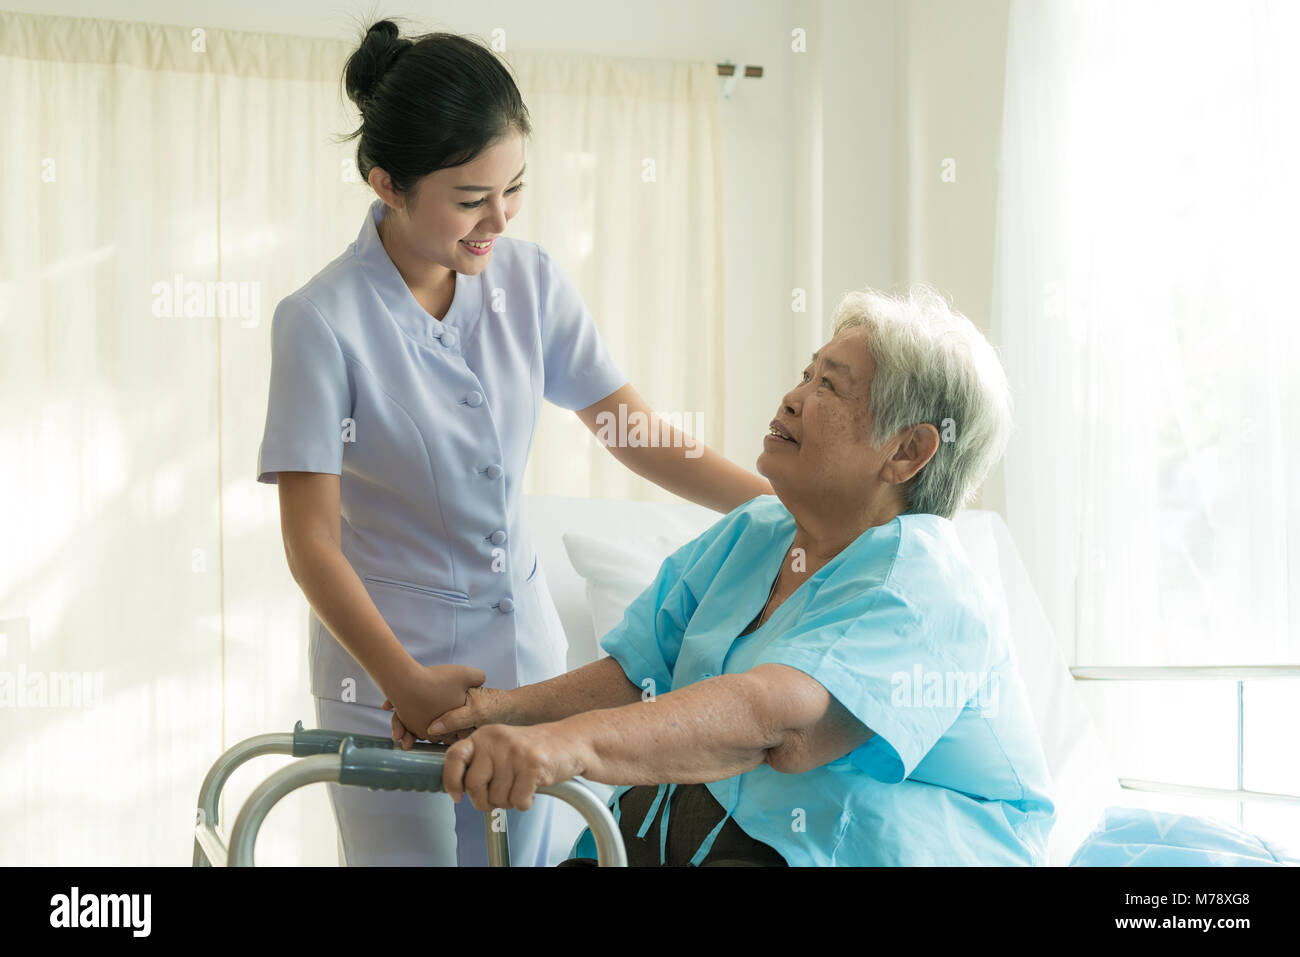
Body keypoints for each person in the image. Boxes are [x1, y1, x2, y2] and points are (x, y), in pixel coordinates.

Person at [255, 21, 770, 867]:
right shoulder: (321, 321)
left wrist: (782, 508)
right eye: (469, 199)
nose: (498, 219)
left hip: (523, 667)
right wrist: (405, 683)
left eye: (515, 188)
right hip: (384, 670)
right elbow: (310, 542)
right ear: (386, 182)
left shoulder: (528, 282)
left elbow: (631, 432)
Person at [406, 285, 1058, 866]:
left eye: (830, 385)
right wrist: (488, 713)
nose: (794, 397)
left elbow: (778, 719)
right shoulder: (756, 532)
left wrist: (564, 746)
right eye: (807, 374)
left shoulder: (927, 583)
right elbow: (637, 678)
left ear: (908, 451)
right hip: (698, 827)